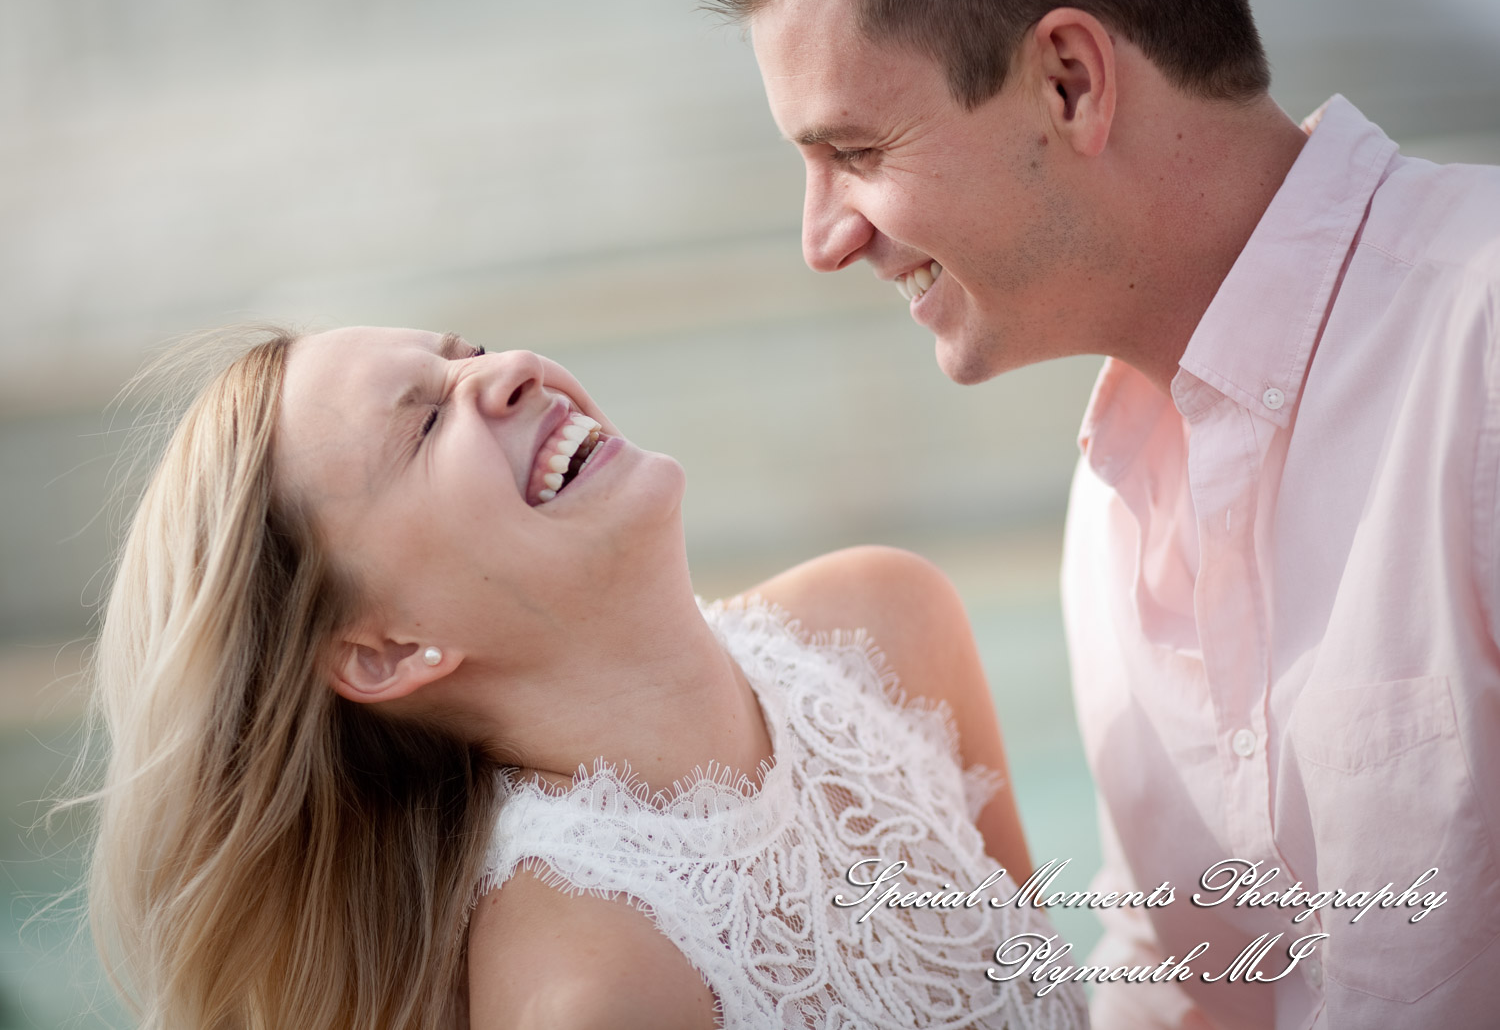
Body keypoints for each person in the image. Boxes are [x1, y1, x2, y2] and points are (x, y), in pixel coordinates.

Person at [691, 0, 1500, 1027]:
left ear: (1069, 81)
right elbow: (1183, 980)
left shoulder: (1483, 350)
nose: (821, 238)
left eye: (854, 152)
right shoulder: (1113, 497)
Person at [77, 323, 1090, 1030]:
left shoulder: (887, 625)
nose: (509, 368)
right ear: (386, 651)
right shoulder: (593, 988)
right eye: (425, 425)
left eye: (465, 351)